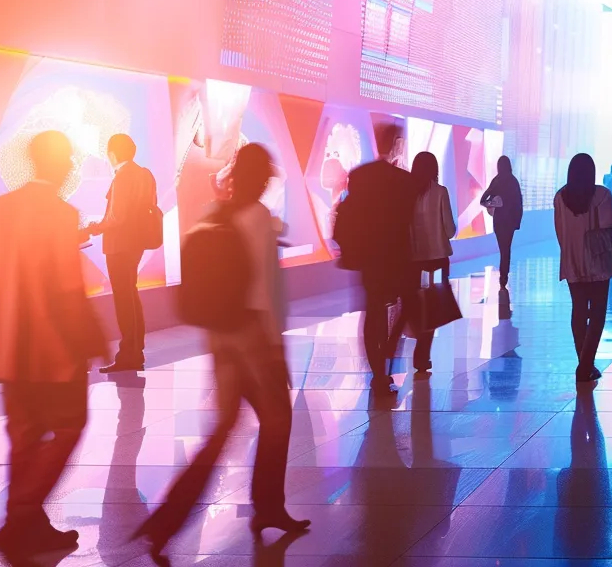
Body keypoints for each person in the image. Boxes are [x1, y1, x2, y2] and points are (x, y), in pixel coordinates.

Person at [134, 144, 309, 557]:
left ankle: (168, 523)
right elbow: (266, 292)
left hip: (221, 337)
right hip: (251, 338)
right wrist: (275, 348)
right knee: (278, 420)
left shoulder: (216, 213)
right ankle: (265, 507)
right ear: (261, 178)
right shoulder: (259, 218)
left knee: (224, 428)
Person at [0, 131, 105, 554]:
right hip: (51, 347)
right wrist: (92, 339)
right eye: (68, 160)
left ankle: (27, 523)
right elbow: (65, 289)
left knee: (26, 437)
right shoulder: (59, 214)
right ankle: (21, 517)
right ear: (61, 163)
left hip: (6, 345)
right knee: (69, 425)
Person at [336, 123, 419, 393]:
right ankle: (390, 351)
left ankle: (377, 373)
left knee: (373, 313)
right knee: (407, 305)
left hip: (369, 257)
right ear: (397, 143)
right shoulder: (404, 181)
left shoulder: (360, 175)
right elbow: (410, 222)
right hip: (398, 256)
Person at [89, 134, 158, 374]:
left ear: (112, 154)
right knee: (131, 294)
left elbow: (116, 217)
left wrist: (96, 227)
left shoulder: (122, 177)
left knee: (123, 298)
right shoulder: (145, 174)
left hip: (119, 245)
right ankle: (135, 351)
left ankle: (128, 354)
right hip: (137, 243)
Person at [554, 154, 612, 383]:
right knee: (598, 311)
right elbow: (607, 226)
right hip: (597, 260)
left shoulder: (561, 196)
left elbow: (559, 230)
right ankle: (585, 365)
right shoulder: (602, 195)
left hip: (572, 259)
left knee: (579, 310)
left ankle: (584, 362)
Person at [409, 151, 456, 373]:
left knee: (418, 305)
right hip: (437, 259)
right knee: (434, 307)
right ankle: (423, 354)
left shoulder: (408, 194)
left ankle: (420, 351)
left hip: (414, 260)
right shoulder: (440, 192)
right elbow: (450, 229)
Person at [482, 156, 523, 286]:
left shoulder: (496, 181)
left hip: (499, 221)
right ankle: (503, 277)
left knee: (503, 249)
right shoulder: (513, 181)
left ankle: (503, 277)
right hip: (510, 221)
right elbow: (519, 203)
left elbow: (483, 200)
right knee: (507, 249)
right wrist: (517, 222)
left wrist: (492, 204)